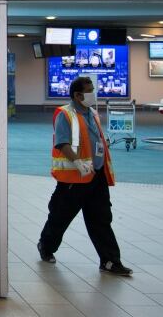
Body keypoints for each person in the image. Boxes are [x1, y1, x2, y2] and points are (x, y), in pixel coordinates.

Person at [37, 76, 132, 276]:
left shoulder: (93, 113)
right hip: (74, 179)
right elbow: (62, 143)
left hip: (96, 176)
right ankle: (46, 246)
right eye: (89, 91)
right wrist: (78, 162)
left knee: (101, 220)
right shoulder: (65, 114)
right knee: (60, 218)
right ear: (78, 95)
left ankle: (110, 261)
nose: (93, 94)